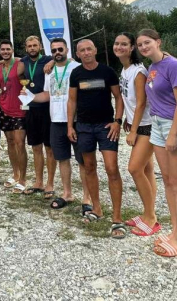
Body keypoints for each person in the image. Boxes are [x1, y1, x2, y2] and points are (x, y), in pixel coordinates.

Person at [137, 29, 177, 256]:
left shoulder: (173, 65)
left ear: (158, 42)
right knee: (168, 180)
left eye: (147, 42)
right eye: (139, 45)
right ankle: (174, 232)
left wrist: (173, 133)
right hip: (157, 125)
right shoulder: (152, 68)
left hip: (172, 125)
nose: (143, 47)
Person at [67, 39, 126, 239]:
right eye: (82, 50)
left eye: (89, 49)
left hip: (105, 126)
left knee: (111, 169)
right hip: (83, 126)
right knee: (89, 167)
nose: (86, 52)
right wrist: (70, 126)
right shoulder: (76, 74)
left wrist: (118, 121)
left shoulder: (107, 72)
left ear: (95, 50)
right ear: (78, 53)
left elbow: (118, 97)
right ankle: (97, 209)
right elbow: (72, 100)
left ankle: (117, 218)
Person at [32, 38, 93, 213]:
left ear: (67, 50)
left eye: (60, 49)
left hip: (76, 120)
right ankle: (67, 193)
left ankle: (87, 197)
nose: (57, 52)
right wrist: (29, 96)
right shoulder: (48, 72)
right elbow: (47, 95)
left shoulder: (76, 68)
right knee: (62, 159)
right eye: (54, 50)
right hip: (56, 121)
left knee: (83, 160)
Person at [114, 33, 158, 236]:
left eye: (124, 44)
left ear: (132, 47)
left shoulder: (139, 71)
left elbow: (141, 102)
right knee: (147, 170)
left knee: (134, 168)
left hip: (146, 127)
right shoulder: (124, 70)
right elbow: (128, 100)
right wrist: (127, 119)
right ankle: (148, 212)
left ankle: (151, 218)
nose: (119, 47)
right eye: (117, 43)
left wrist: (133, 130)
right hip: (136, 123)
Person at [17, 36, 55, 198]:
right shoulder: (23, 62)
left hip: (47, 108)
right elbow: (8, 65)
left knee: (49, 148)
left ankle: (50, 184)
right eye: (29, 46)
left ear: (40, 46)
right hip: (30, 109)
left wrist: (53, 61)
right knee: (36, 147)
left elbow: (69, 58)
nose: (32, 48)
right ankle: (38, 182)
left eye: (35, 45)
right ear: (26, 48)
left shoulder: (48, 59)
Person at [0, 40, 27, 194]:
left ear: (12, 50)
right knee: (9, 141)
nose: (5, 52)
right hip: (4, 108)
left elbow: (34, 61)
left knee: (20, 143)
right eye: (3, 49)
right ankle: (15, 174)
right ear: (0, 51)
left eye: (8, 49)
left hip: (20, 108)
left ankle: (23, 178)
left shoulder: (20, 63)